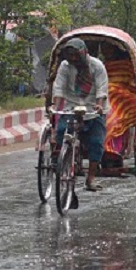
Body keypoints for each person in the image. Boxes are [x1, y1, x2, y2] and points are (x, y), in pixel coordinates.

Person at [52, 38, 109, 192]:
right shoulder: (65, 67)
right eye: (70, 55)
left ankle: (90, 179)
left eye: (76, 55)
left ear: (83, 53)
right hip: (72, 106)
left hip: (93, 109)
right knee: (60, 132)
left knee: (96, 143)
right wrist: (56, 106)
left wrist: (99, 105)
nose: (73, 59)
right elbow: (59, 87)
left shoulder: (97, 66)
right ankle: (63, 161)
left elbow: (101, 89)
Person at [101, 43, 136, 168]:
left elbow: (130, 82)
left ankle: (113, 148)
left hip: (123, 98)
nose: (105, 52)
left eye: (108, 48)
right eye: (103, 49)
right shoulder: (100, 66)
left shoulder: (127, 65)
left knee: (112, 116)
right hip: (102, 97)